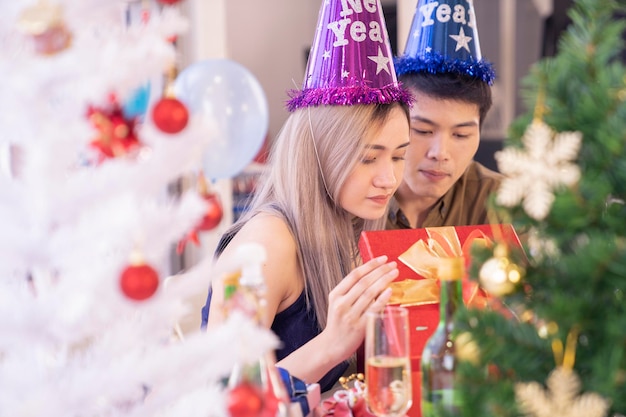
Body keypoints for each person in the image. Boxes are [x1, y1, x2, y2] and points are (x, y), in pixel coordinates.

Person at [201, 0, 412, 393]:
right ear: (319, 153)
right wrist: (333, 344)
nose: (389, 178)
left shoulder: (349, 226)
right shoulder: (262, 248)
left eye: (399, 155)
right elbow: (226, 396)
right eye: (368, 158)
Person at [388, 0, 503, 230]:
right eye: (423, 130)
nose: (440, 154)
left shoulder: (499, 202)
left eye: (461, 135)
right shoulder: (351, 199)